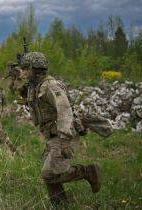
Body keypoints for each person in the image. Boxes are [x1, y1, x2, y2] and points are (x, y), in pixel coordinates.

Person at [19, 52, 101, 206]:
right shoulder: (35, 86)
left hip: (64, 134)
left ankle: (88, 172)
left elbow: (64, 111)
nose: (22, 72)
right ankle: (60, 204)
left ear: (36, 69)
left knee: (49, 173)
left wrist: (64, 141)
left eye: (25, 68)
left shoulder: (50, 86)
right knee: (49, 170)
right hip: (52, 135)